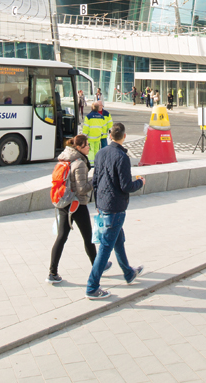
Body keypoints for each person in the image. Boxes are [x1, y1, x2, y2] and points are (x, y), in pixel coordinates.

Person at [87, 123, 144, 299]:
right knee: (106, 247)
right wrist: (140, 182)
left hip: (103, 203)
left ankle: (128, 273)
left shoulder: (100, 153)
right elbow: (126, 186)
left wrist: (97, 203)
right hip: (115, 206)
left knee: (118, 240)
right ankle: (92, 287)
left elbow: (95, 180)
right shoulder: (122, 157)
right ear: (124, 136)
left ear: (110, 136)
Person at [48, 134, 108, 284]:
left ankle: (52, 273)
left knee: (61, 237)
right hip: (77, 204)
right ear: (80, 147)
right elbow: (82, 189)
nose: (89, 147)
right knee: (88, 238)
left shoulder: (65, 158)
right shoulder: (79, 163)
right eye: (87, 145)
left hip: (64, 202)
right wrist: (95, 180)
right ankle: (98, 267)